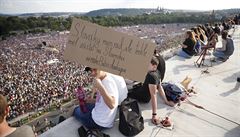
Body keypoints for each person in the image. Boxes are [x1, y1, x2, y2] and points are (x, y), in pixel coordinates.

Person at [128, 56, 174, 125]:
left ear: (154, 66)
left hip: (142, 97)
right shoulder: (158, 72)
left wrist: (154, 115)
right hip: (143, 92)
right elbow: (160, 87)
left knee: (125, 90)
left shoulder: (151, 76)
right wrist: (166, 101)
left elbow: (154, 96)